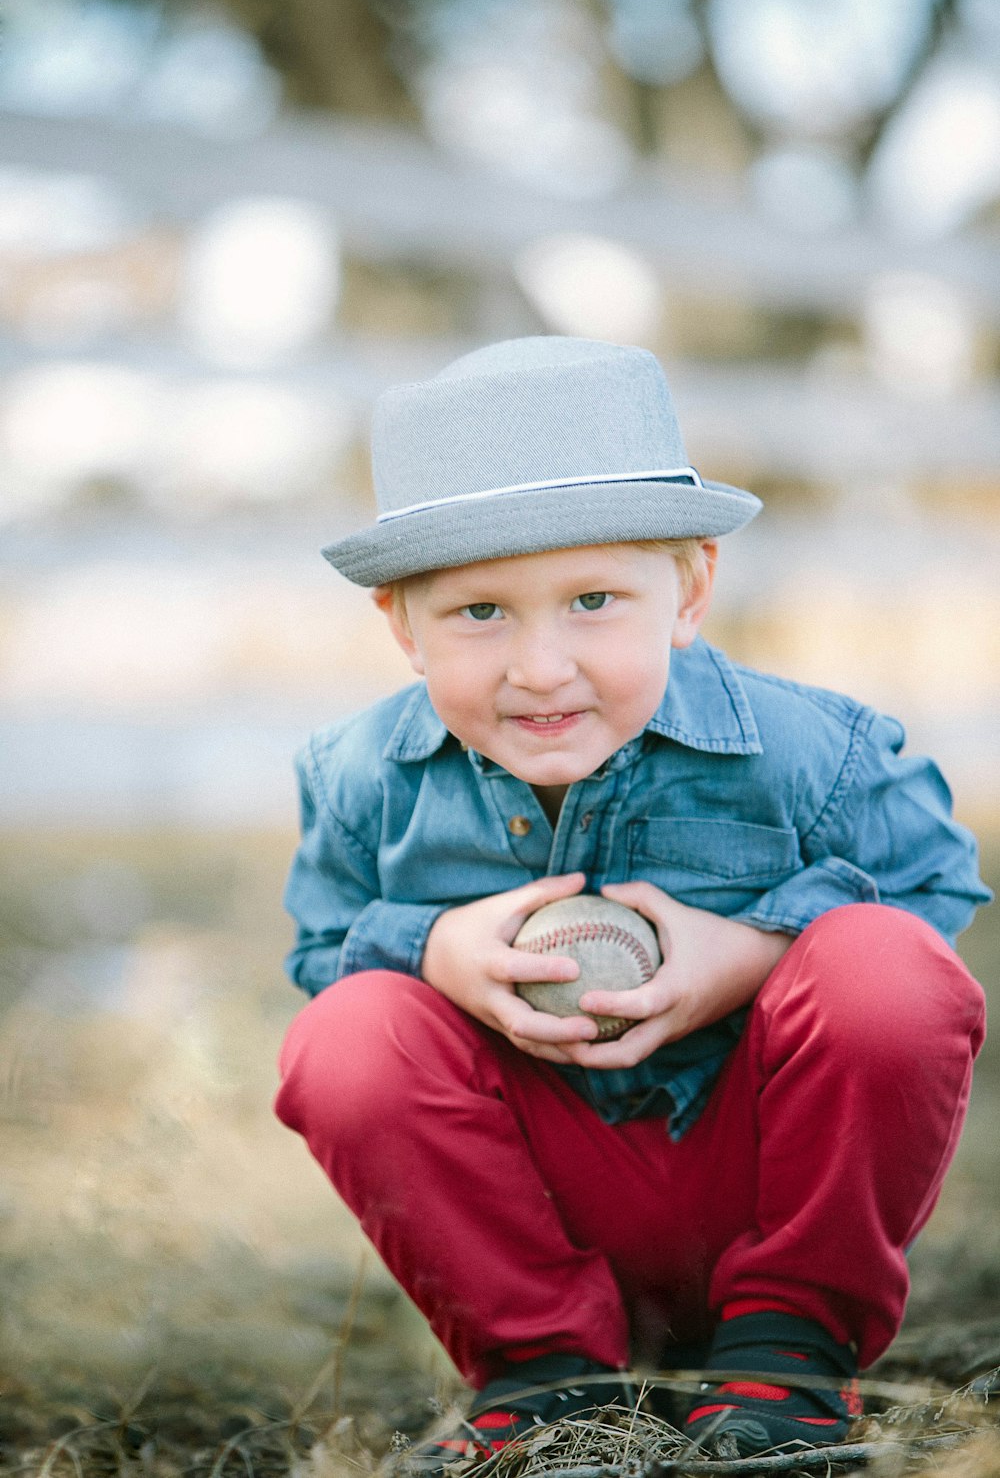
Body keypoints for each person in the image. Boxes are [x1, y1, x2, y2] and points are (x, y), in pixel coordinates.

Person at [274, 337, 989, 1464]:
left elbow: (934, 882)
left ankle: (785, 1356)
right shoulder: (364, 780)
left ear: (690, 590)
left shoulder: (813, 750)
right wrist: (433, 950)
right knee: (344, 1033)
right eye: (478, 614)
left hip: (758, 1169)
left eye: (592, 599)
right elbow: (322, 948)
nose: (541, 666)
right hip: (542, 1205)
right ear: (403, 628)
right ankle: (542, 1377)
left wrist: (750, 952)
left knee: (884, 968)